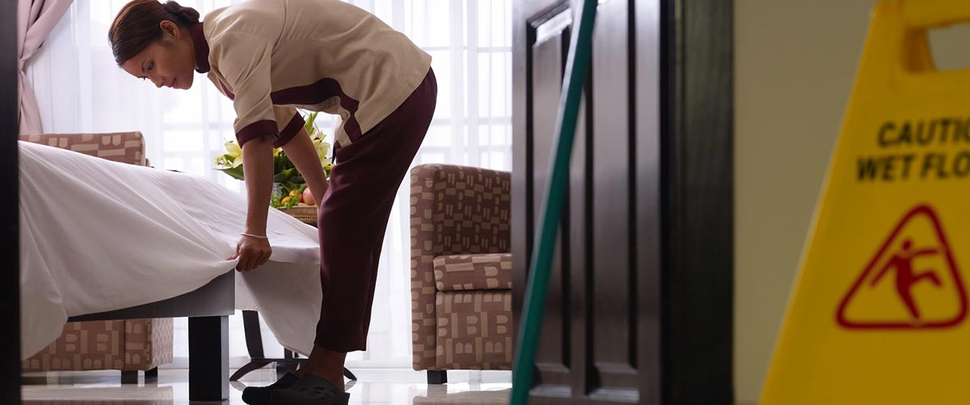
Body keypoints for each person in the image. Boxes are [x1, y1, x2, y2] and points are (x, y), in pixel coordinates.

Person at [109, 0, 436, 403]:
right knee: (346, 227)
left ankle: (327, 375)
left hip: (393, 87)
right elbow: (287, 127)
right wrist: (324, 195)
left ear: (170, 30)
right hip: (394, 90)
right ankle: (318, 369)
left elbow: (258, 138)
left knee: (347, 229)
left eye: (150, 66)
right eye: (146, 78)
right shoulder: (219, 59)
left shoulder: (231, 38)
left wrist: (255, 231)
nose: (157, 81)